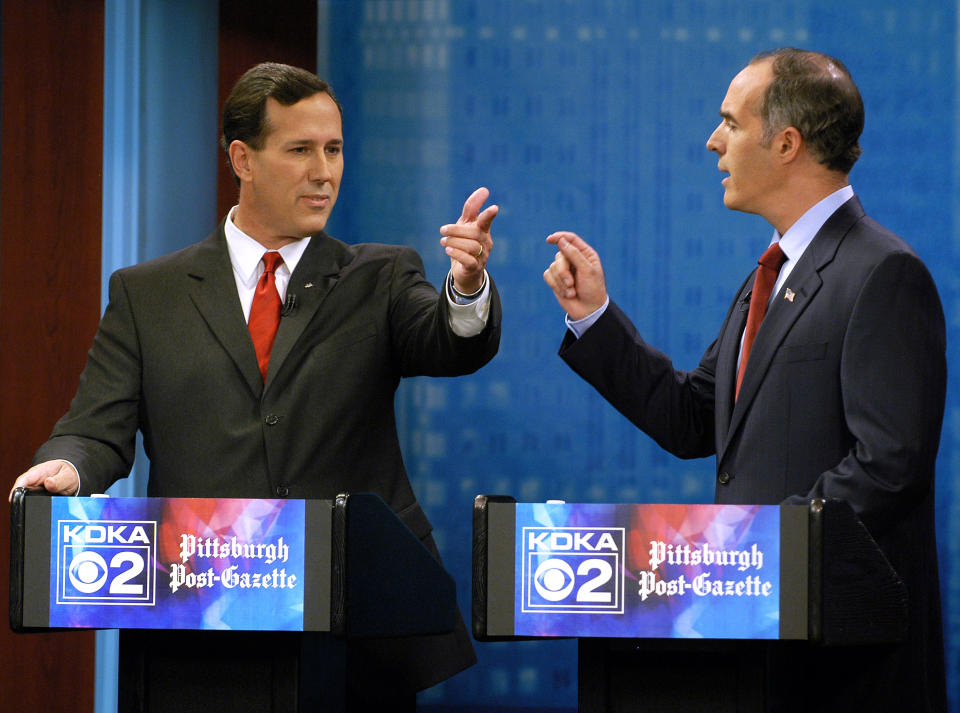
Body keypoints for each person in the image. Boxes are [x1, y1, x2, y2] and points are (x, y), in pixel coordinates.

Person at [11, 62, 500, 708]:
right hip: (200, 628)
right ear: (242, 158)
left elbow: (447, 340)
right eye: (300, 150)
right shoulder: (147, 293)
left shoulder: (378, 276)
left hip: (354, 638)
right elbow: (94, 428)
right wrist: (66, 469)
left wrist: (465, 289)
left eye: (333, 149)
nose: (323, 171)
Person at [543, 48, 946, 713]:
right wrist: (594, 319)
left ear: (786, 143)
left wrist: (747, 548)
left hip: (844, 663)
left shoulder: (883, 273)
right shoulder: (773, 274)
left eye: (729, 122)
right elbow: (691, 416)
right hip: (762, 646)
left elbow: (889, 463)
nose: (713, 141)